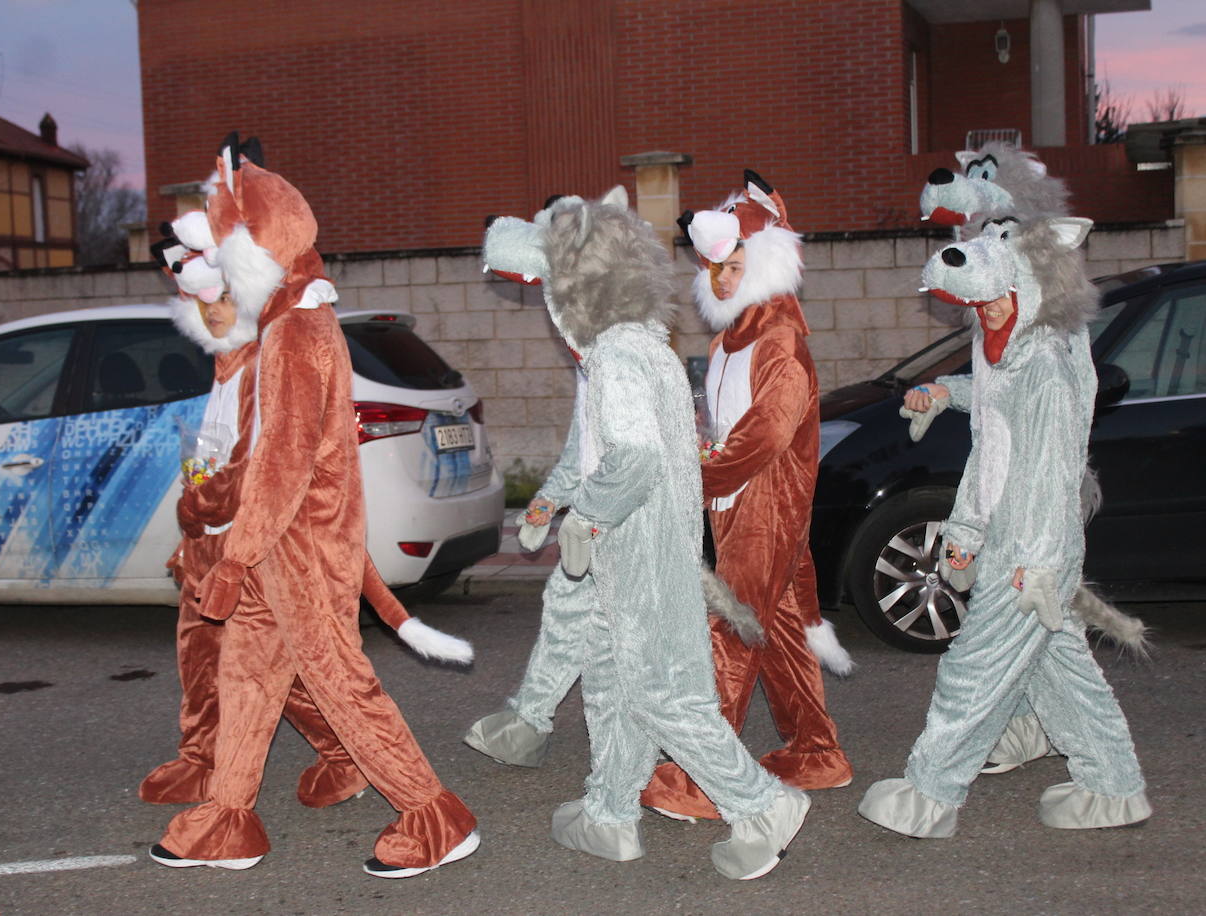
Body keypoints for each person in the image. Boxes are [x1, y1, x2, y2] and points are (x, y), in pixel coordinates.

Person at [151, 138, 477, 878]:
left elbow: (284, 463)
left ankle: (435, 817)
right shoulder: (284, 322)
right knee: (246, 677)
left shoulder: (296, 331)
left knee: (340, 682)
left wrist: (234, 556)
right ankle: (230, 819)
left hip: (299, 548)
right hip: (278, 548)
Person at [481, 186, 810, 880]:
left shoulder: (618, 360)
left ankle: (761, 805)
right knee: (614, 685)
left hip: (638, 553)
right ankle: (609, 813)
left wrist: (589, 518)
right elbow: (596, 449)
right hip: (636, 554)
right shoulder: (637, 350)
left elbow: (630, 461)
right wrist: (555, 502)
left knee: (663, 693)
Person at [858, 217, 1151, 837]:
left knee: (974, 670)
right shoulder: (1008, 351)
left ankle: (931, 794)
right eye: (979, 303)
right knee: (1062, 670)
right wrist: (945, 393)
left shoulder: (1044, 367)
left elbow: (1050, 472)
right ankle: (1115, 787)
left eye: (997, 299)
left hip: (1029, 547)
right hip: (1006, 536)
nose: (987, 313)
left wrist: (1040, 564)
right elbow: (995, 399)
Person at [641, 172, 852, 823]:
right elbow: (730, 424)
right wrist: (704, 457)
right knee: (779, 630)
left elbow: (768, 430)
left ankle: (702, 778)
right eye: (716, 268)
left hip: (765, 505)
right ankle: (816, 751)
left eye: (737, 266)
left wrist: (704, 475)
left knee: (728, 633)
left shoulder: (780, 339)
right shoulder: (726, 340)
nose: (725, 279)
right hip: (737, 504)